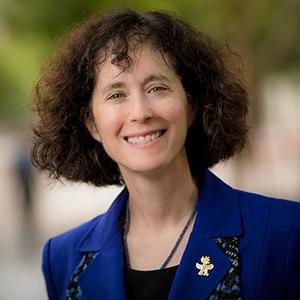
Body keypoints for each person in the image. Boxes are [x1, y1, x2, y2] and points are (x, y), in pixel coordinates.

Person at [31, 9, 300, 300]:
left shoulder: (284, 233)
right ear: (92, 124)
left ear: (192, 106)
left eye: (157, 88)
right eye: (116, 94)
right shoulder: (63, 260)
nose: (140, 113)